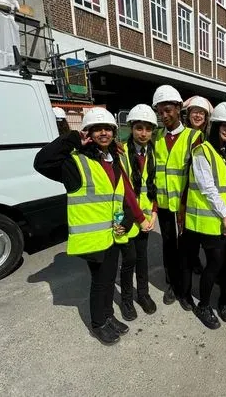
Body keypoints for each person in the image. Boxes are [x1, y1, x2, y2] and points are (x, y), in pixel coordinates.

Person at [34, 107, 150, 345]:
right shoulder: (75, 163)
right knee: (100, 282)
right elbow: (42, 162)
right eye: (97, 129)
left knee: (107, 280)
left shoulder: (114, 160)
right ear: (88, 133)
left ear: (114, 132)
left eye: (108, 129)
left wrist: (127, 221)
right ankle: (98, 323)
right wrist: (73, 138)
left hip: (113, 235)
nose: (103, 133)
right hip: (93, 238)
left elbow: (121, 196)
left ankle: (108, 316)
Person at [181, 102, 226, 329]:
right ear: (214, 126)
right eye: (223, 125)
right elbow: (208, 189)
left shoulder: (225, 155)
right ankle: (204, 305)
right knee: (214, 264)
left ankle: (223, 300)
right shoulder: (202, 151)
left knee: (224, 264)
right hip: (208, 223)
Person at [152, 85, 202, 305]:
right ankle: (172, 284)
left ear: (179, 108)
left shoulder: (194, 137)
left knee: (186, 248)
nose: (164, 115)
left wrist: (184, 205)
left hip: (186, 204)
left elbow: (198, 175)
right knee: (169, 246)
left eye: (168, 110)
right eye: (160, 111)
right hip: (164, 204)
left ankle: (185, 290)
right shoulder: (156, 137)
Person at [119, 104, 159, 320]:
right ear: (131, 128)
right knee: (129, 260)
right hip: (128, 217)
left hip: (145, 218)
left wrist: (153, 213)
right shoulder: (121, 152)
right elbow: (126, 190)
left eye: (148, 129)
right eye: (139, 128)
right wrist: (141, 218)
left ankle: (143, 294)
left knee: (142, 258)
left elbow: (153, 185)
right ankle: (126, 300)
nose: (143, 133)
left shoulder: (153, 153)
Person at [182, 95, 213, 275]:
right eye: (195, 112)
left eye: (202, 113)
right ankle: (193, 260)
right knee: (189, 231)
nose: (198, 115)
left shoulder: (209, 135)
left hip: (207, 187)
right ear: (188, 114)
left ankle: (210, 266)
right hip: (187, 187)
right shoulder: (183, 134)